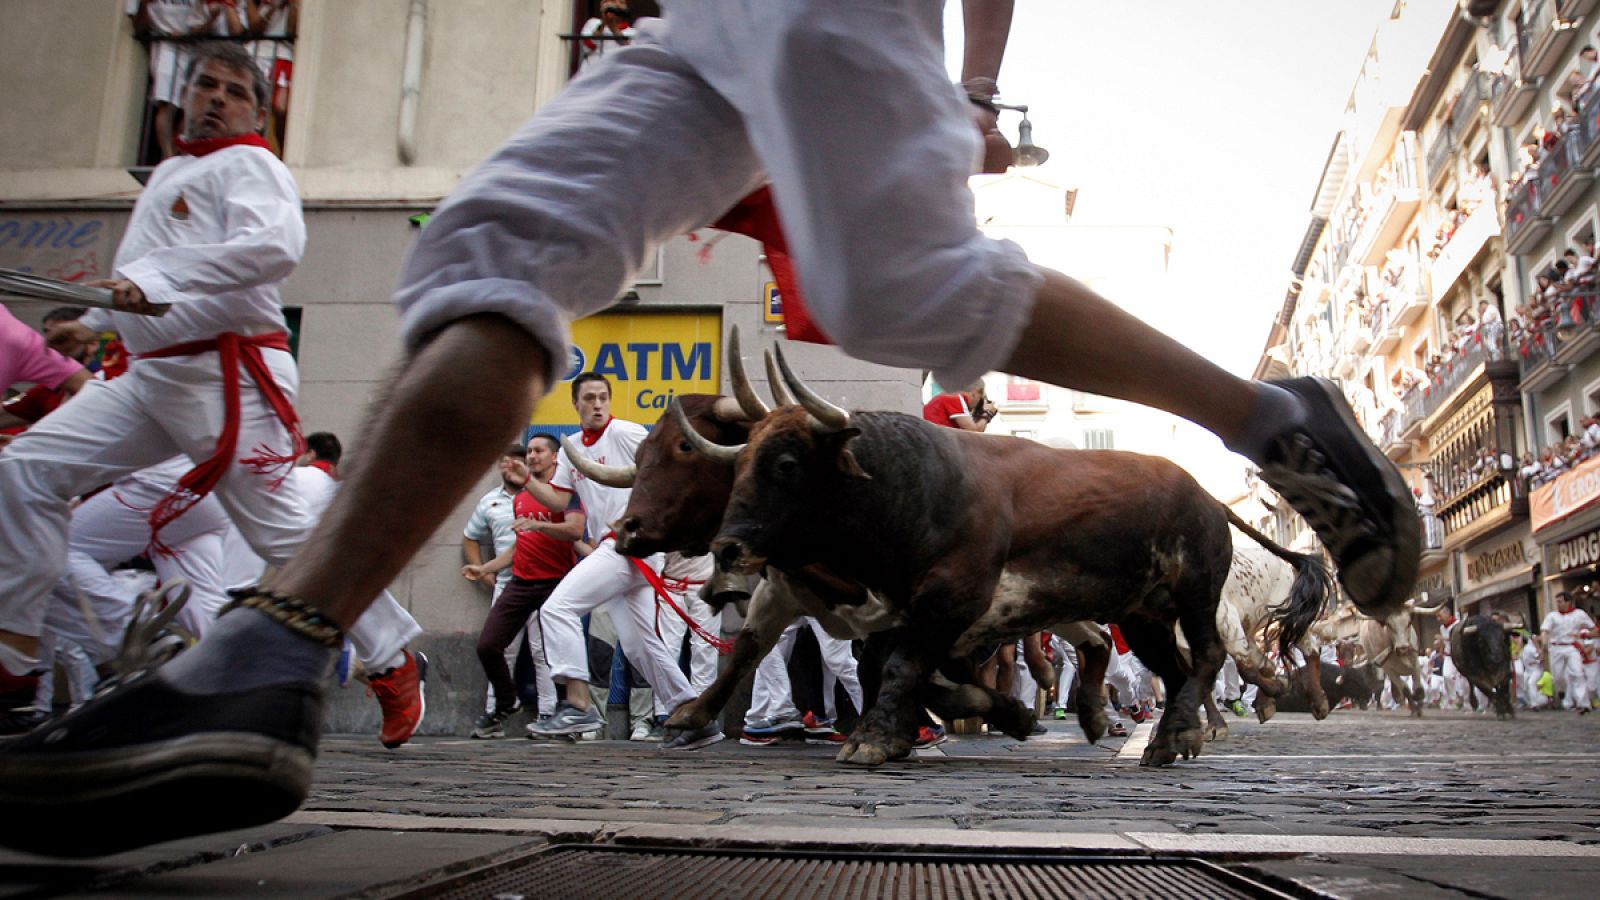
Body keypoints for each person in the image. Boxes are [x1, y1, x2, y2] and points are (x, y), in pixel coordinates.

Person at [0, 2, 1420, 857]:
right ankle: (271, 652)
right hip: (692, 27)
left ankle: (1272, 414)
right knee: (492, 242)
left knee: (889, 286)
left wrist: (975, 83)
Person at [522, 373, 712, 749]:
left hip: (628, 544)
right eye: (589, 398)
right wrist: (525, 480)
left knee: (557, 608)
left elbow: (666, 468)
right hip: (620, 552)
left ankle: (577, 703)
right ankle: (695, 716)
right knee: (641, 643)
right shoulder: (572, 447)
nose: (597, 404)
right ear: (575, 404)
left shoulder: (626, 433)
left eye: (603, 397)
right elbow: (560, 501)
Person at [463, 434, 583, 738]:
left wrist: (540, 525)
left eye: (539, 451)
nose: (532, 456)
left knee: (554, 654)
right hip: (521, 582)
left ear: (555, 457)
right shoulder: (519, 499)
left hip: (556, 584)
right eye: (528, 451)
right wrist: (485, 568)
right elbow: (519, 545)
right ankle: (506, 702)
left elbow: (574, 531)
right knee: (489, 646)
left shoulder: (566, 492)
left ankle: (564, 716)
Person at [1541, 591, 1596, 713]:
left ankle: (1584, 704)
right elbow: (1545, 630)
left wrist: (1584, 635)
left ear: (1568, 602)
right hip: (1556, 648)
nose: (1558, 604)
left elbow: (1593, 629)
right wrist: (1544, 643)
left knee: (1578, 673)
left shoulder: (1579, 614)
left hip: (1571, 647)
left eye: (1560, 601)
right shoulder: (1552, 616)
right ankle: (1561, 692)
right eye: (1557, 602)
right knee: (1558, 677)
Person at [922, 379, 993, 431]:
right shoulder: (955, 398)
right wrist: (987, 412)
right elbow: (975, 431)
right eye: (980, 398)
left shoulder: (947, 396)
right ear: (974, 393)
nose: (978, 403)